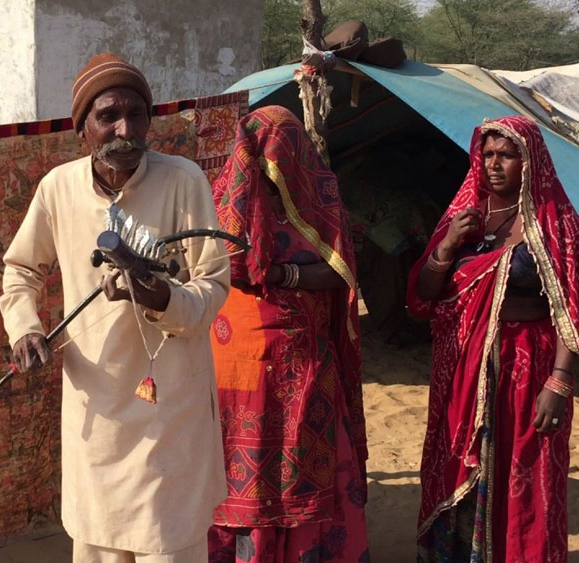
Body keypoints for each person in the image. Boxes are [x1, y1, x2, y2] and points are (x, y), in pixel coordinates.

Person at [0, 53, 230, 562]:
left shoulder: (182, 180)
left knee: (169, 544)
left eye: (138, 115)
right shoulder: (58, 188)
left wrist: (160, 297)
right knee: (99, 544)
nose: (126, 129)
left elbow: (212, 285)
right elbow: (20, 271)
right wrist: (25, 329)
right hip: (96, 412)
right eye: (108, 117)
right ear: (83, 130)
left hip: (171, 409)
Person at [408, 115, 579, 562]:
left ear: (531, 162)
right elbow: (424, 298)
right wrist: (446, 248)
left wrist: (559, 382)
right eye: (488, 155)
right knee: (461, 469)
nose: (494, 165)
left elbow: (572, 309)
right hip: (464, 368)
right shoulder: (462, 216)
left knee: (524, 472)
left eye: (507, 155)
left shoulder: (555, 223)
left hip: (530, 367)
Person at [207, 106, 369, 562]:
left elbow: (342, 272)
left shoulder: (320, 201)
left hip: (306, 364)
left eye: (281, 149)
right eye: (260, 151)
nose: (269, 160)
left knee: (309, 462)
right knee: (240, 472)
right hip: (237, 368)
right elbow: (218, 268)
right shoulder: (225, 201)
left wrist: (283, 273)